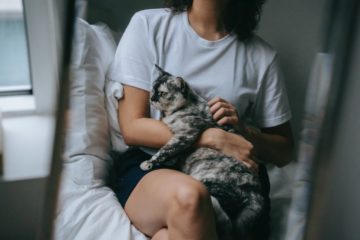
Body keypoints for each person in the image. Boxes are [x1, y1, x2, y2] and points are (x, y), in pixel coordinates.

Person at [108, 0, 294, 239]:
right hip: (154, 164)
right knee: (191, 197)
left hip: (228, 178)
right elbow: (133, 127)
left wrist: (243, 134)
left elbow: (285, 151)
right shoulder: (148, 25)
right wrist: (213, 137)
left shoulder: (262, 57)